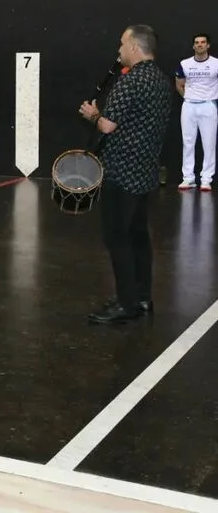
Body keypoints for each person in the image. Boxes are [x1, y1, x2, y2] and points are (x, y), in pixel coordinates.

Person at [79, 24, 174, 324]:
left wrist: (93, 115)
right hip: (145, 173)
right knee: (138, 237)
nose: (118, 50)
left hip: (121, 173)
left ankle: (125, 303)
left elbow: (108, 126)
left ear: (134, 47)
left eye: (122, 44)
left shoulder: (131, 81)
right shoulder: (161, 81)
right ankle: (141, 297)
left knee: (117, 237)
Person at [174, 34, 218, 192]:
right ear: (193, 46)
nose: (200, 45)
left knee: (209, 143)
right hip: (189, 106)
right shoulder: (184, 64)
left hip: (208, 106)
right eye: (197, 42)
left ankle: (206, 179)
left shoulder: (216, 63)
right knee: (188, 142)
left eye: (203, 42)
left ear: (208, 45)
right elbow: (179, 85)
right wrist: (189, 98)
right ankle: (188, 178)